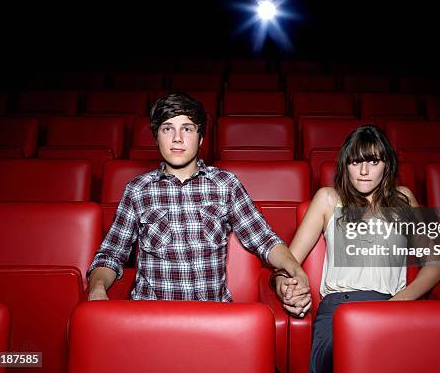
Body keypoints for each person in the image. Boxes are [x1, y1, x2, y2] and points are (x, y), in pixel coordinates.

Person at [87, 92, 309, 302]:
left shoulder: (225, 185)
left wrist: (294, 268)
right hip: (152, 314)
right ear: (156, 137)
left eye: (187, 129)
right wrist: (97, 289)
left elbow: (265, 240)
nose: (177, 138)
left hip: (210, 316)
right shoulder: (137, 190)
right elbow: (111, 254)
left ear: (201, 138)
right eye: (167, 129)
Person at [274, 125, 440, 373]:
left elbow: (434, 264)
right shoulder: (328, 199)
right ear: (346, 165)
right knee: (348, 359)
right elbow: (287, 263)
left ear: (387, 165)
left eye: (373, 161)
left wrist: (398, 304)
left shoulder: (403, 199)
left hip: (393, 306)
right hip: (339, 311)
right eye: (356, 162)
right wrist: (282, 284)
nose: (364, 171)